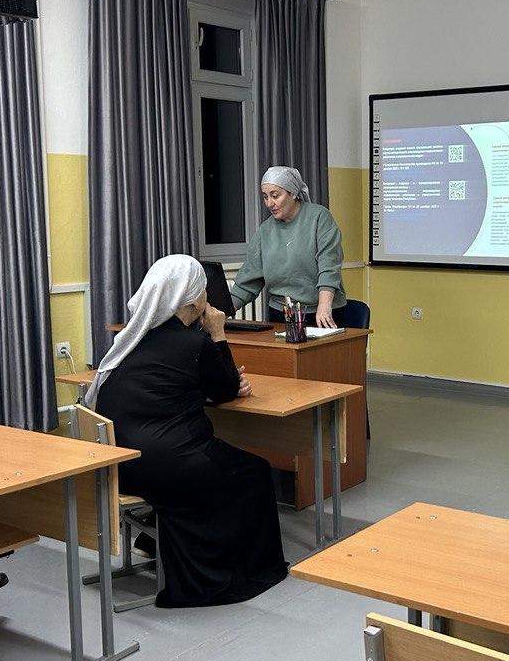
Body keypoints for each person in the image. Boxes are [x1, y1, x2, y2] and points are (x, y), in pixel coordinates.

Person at [86, 255, 288, 606]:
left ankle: (155, 540)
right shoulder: (195, 343)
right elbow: (224, 390)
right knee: (254, 471)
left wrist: (216, 379)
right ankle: (248, 568)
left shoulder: (132, 339)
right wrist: (218, 334)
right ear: (194, 300)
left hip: (120, 464)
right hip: (167, 464)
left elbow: (191, 383)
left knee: (217, 464)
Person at [229, 166, 345, 328]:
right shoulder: (265, 230)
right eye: (265, 197)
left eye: (275, 196)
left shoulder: (319, 217)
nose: (270, 203)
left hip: (321, 311)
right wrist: (222, 311)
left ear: (293, 193)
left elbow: (329, 266)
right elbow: (248, 280)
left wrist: (324, 305)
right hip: (281, 313)